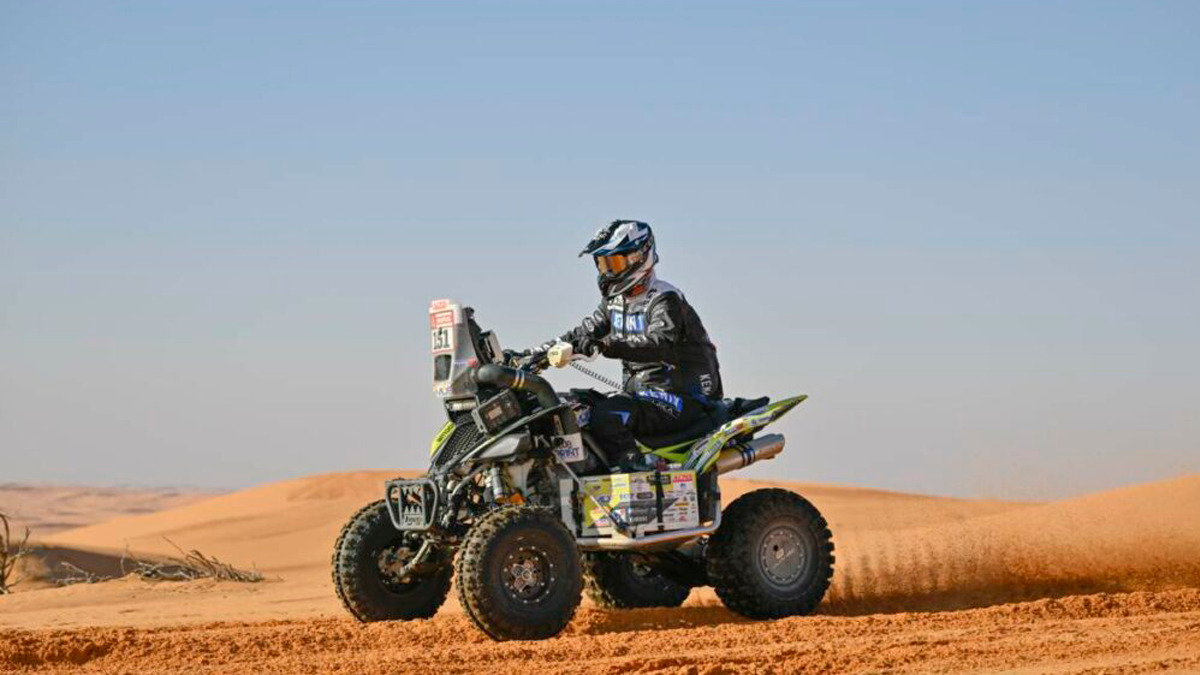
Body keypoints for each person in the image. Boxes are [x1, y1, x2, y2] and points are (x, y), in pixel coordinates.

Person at [530, 220, 723, 471]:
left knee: (609, 416)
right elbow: (581, 334)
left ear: (639, 257)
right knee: (571, 407)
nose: (608, 272)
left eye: (615, 263)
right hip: (641, 395)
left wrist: (606, 345)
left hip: (683, 397)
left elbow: (659, 344)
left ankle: (638, 470)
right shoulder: (616, 302)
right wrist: (531, 355)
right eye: (603, 264)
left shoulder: (664, 298)